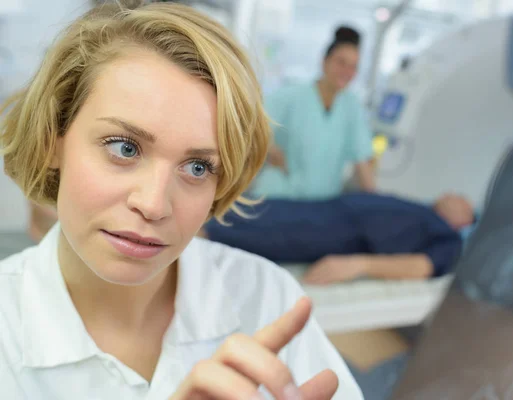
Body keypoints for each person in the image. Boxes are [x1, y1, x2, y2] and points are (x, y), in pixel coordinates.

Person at [0, 3, 363, 399]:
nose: (154, 204)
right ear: (55, 139)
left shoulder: (266, 297)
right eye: (124, 147)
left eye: (197, 168)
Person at [201, 193, 475, 285]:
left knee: (255, 229)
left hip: (340, 232)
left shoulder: (450, 239)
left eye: (460, 198)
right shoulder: (425, 211)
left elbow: (422, 267)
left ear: (465, 219)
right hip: (331, 209)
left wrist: (357, 265)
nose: (451, 193)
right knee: (256, 207)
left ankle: (191, 236)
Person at [252, 26, 376, 200]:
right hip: (279, 196)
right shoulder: (291, 95)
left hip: (323, 203)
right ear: (325, 61)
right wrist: (270, 149)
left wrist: (376, 204)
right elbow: (251, 126)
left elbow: (363, 159)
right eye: (341, 62)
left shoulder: (352, 107)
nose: (347, 72)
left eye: (353, 67)